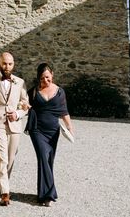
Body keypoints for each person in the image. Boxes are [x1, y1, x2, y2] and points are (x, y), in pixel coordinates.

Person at [0, 52, 30, 206]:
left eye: (10, 64)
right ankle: (5, 193)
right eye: (4, 63)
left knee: (10, 159)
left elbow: (25, 105)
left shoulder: (20, 82)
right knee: (2, 158)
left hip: (15, 126)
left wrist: (18, 113)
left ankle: (3, 184)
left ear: (13, 64)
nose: (7, 66)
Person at [26, 62, 74, 207]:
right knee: (42, 157)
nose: (45, 81)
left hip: (53, 132)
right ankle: (49, 194)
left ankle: (42, 194)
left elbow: (64, 111)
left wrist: (70, 127)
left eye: (47, 77)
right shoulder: (33, 92)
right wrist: (24, 107)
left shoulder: (60, 92)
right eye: (42, 78)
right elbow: (23, 105)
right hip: (37, 130)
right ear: (38, 78)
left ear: (52, 74)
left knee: (49, 160)